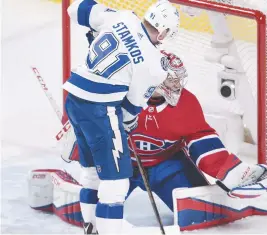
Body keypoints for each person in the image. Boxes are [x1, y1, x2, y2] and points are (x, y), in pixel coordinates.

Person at [28, 51, 267, 233]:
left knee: (197, 213)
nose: (176, 85)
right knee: (87, 215)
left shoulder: (185, 103)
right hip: (120, 166)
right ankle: (54, 188)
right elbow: (98, 136)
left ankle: (253, 201)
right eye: (170, 80)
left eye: (177, 79)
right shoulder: (119, 94)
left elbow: (202, 140)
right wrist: (75, 138)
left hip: (167, 165)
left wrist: (232, 173)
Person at [62, 0, 180, 234]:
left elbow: (76, 9)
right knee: (115, 183)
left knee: (92, 172)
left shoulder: (123, 16)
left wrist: (96, 31)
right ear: (164, 31)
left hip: (74, 98)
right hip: (100, 108)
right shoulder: (154, 64)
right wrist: (126, 124)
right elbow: (129, 109)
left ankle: (91, 227)